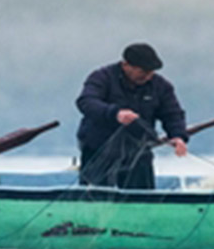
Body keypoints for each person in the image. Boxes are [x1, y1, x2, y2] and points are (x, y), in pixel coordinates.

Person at [75, 42, 189, 189]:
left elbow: (173, 114)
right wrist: (115, 113)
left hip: (138, 150)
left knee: (142, 196)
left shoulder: (161, 86)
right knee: (95, 196)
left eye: (151, 72)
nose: (148, 76)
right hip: (98, 148)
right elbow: (86, 101)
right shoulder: (101, 77)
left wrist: (178, 136)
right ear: (126, 65)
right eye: (143, 71)